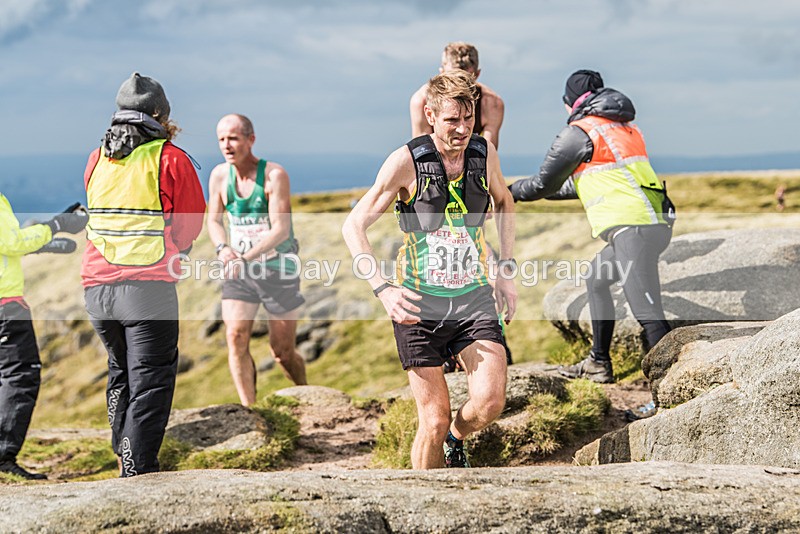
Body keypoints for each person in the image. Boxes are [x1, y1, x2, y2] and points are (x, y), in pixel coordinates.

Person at [343, 70, 517, 469]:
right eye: (452, 120)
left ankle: (460, 437)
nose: (462, 129)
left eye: (468, 119)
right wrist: (382, 288)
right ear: (430, 114)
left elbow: (504, 202)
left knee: (489, 402)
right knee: (433, 419)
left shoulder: (483, 153)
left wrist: (505, 271)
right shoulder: (406, 161)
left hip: (473, 297)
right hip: (418, 305)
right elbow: (353, 225)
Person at [510, 69, 674, 388]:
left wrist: (509, 192)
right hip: (652, 222)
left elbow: (544, 183)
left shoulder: (579, 132)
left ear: (570, 101)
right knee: (597, 279)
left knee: (648, 312)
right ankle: (599, 363)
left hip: (632, 228)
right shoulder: (623, 128)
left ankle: (669, 395)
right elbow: (582, 185)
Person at [82, 73, 206, 477]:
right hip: (146, 289)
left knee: (120, 371)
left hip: (96, 289)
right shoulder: (170, 158)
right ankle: (137, 473)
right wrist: (177, 249)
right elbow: (189, 225)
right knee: (151, 382)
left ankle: (124, 457)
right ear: (159, 115)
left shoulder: (96, 157)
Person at [207, 114, 307, 407]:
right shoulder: (219, 176)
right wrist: (223, 248)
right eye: (222, 139)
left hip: (278, 269)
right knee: (236, 336)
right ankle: (250, 411)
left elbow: (281, 229)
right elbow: (213, 220)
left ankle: (307, 394)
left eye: (234, 138)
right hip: (240, 272)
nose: (227, 145)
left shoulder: (274, 175)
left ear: (250, 140)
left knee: (282, 352)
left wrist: (245, 257)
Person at [0, 196, 87, 479]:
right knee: (19, 375)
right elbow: (11, 242)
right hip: (5, 304)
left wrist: (44, 241)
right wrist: (57, 225)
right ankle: (2, 456)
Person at [410, 42, 505, 149]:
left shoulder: (492, 103)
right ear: (441, 73)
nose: (459, 87)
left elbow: (487, 154)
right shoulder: (421, 100)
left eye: (465, 80)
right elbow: (423, 153)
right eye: (451, 79)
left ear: (477, 75)